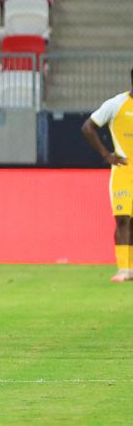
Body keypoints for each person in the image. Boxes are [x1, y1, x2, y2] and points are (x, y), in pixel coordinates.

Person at [82, 67, 133, 282]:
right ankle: (124, 269)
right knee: (123, 219)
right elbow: (88, 127)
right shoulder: (116, 104)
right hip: (124, 170)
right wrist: (106, 154)